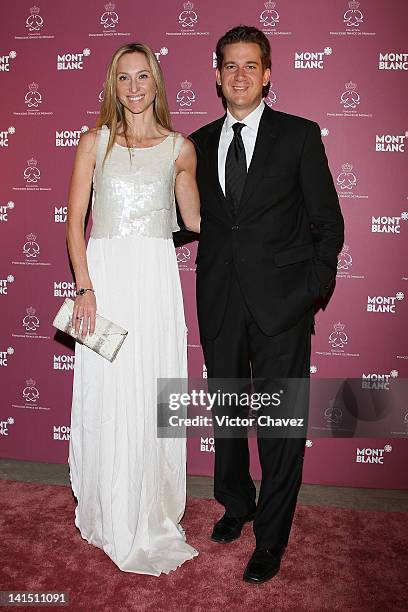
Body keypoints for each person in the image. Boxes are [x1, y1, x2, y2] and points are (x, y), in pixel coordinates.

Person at [189, 25, 344, 583]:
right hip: (221, 301)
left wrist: (313, 289)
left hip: (283, 306)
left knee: (280, 429)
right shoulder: (198, 143)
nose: (239, 75)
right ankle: (236, 503)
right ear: (216, 73)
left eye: (250, 65)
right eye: (230, 65)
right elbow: (189, 221)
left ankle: (271, 537)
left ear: (268, 73)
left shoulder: (299, 136)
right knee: (228, 417)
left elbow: (328, 222)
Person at [66, 42, 200, 575]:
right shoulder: (93, 143)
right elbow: (75, 223)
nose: (136, 86)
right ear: (112, 85)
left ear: (157, 82)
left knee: (151, 389)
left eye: (145, 76)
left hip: (155, 283)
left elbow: (194, 219)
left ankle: (150, 509)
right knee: (109, 392)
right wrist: (85, 287)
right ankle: (108, 506)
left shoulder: (178, 148)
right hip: (107, 282)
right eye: (125, 77)